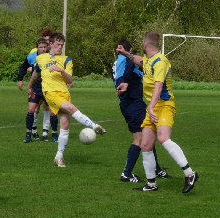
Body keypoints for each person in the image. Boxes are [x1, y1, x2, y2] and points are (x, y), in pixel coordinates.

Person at [116, 31, 198, 193]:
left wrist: (151, 107)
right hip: (153, 107)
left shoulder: (160, 62)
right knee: (146, 145)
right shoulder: (149, 59)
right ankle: (151, 184)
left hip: (164, 106)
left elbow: (158, 87)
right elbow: (138, 60)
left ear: (145, 44)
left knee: (162, 137)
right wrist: (125, 53)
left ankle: (190, 173)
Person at [28, 32, 106, 167]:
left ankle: (59, 157)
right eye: (58, 44)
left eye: (62, 45)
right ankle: (94, 126)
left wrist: (61, 71)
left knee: (64, 125)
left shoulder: (67, 60)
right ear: (50, 44)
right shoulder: (41, 58)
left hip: (64, 93)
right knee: (71, 108)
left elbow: (69, 79)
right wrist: (29, 86)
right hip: (50, 93)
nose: (60, 47)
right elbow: (36, 72)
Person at [113, 39, 169, 183]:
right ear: (129, 49)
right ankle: (127, 173)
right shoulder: (127, 60)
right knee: (140, 139)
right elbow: (130, 65)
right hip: (133, 103)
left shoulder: (117, 61)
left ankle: (157, 169)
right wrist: (125, 81)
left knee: (148, 135)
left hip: (129, 103)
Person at [19, 37, 58, 143]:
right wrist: (21, 80)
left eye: (45, 47)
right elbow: (23, 67)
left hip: (48, 87)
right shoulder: (32, 57)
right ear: (37, 48)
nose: (43, 49)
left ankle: (54, 134)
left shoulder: (52, 57)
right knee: (31, 110)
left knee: (51, 111)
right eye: (41, 47)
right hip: (36, 87)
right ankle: (28, 134)